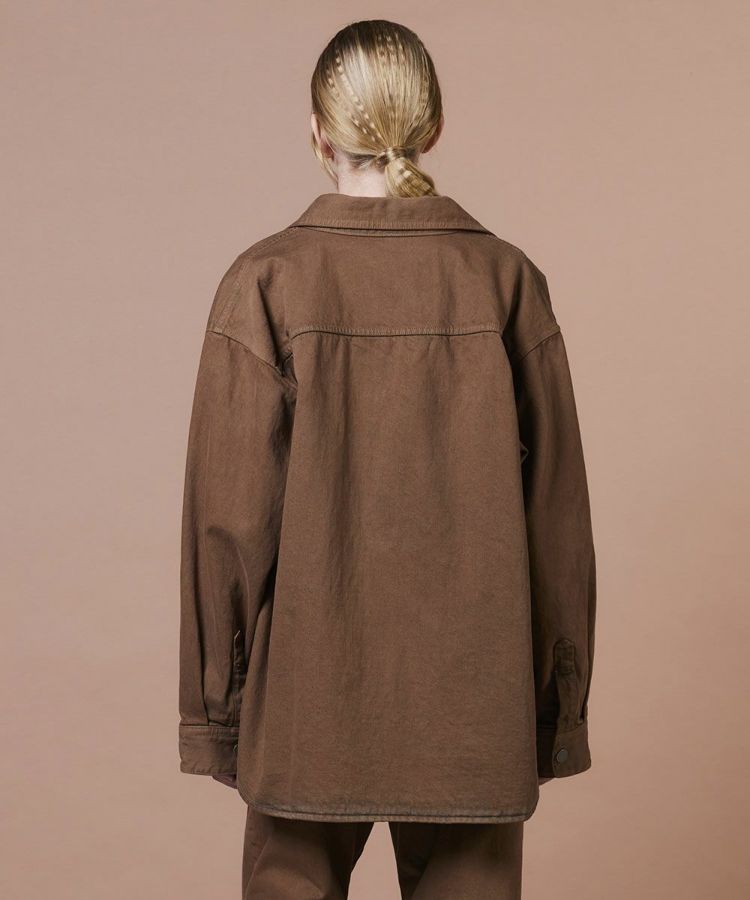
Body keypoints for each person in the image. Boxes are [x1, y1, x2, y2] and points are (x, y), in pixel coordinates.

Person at [178, 18, 597, 899]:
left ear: (318, 134)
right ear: (433, 129)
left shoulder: (264, 283)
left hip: (307, 713)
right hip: (473, 721)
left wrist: (220, 714)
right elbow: (558, 525)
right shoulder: (507, 283)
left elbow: (226, 525)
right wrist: (554, 711)